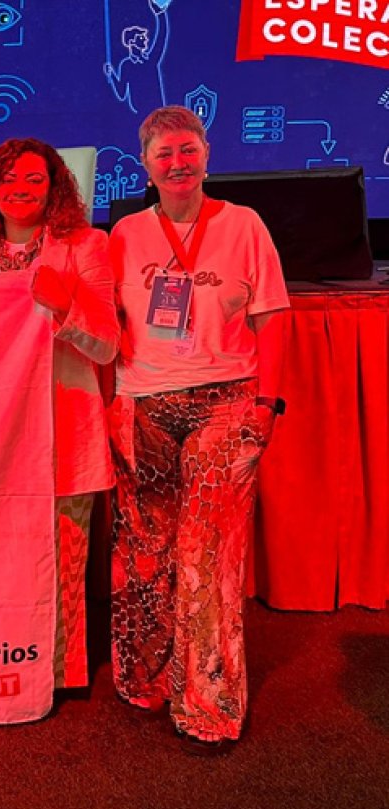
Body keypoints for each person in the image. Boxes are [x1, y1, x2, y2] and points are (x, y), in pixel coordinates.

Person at [108, 105, 288, 753]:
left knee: (207, 555)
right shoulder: (124, 232)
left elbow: (273, 317)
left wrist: (269, 402)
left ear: (206, 153)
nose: (177, 163)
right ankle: (145, 679)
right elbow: (107, 325)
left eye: (187, 150)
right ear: (146, 165)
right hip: (142, 403)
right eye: (164, 154)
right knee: (144, 552)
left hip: (226, 402)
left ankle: (209, 703)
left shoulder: (244, 225)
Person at [0, 137, 119, 691]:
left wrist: (66, 304)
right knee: (0, 555)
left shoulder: (84, 245)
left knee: (62, 555)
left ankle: (57, 675)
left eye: (34, 179)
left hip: (64, 427)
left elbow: (106, 343)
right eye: (9, 180)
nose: (20, 189)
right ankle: (2, 668)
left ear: (54, 188)